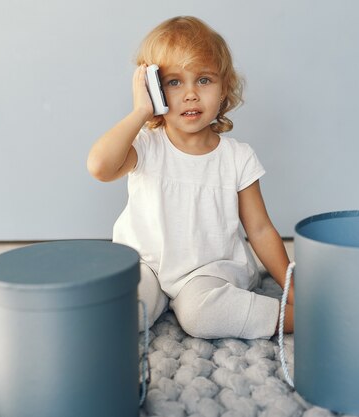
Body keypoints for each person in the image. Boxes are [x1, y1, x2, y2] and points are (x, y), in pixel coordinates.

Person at [87, 16, 293, 339]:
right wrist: (141, 111)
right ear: (153, 88)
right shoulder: (145, 146)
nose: (190, 94)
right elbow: (99, 166)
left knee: (201, 315)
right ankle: (153, 300)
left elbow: (260, 229)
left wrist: (291, 288)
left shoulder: (236, 157)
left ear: (224, 87)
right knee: (121, 308)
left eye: (204, 80)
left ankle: (293, 318)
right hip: (148, 265)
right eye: (173, 82)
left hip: (210, 270)